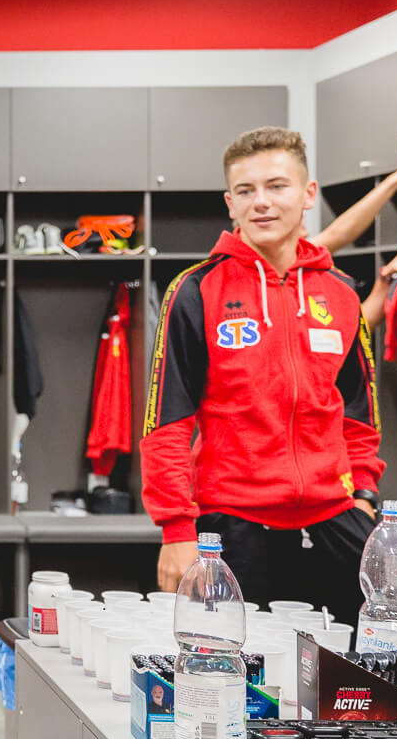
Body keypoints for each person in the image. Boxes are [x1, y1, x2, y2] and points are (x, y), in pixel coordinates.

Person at [142, 127, 384, 620]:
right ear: (230, 203)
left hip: (333, 514)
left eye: (277, 186)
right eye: (246, 190)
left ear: (308, 193)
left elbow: (359, 412)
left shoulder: (340, 293)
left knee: (370, 658)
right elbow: (167, 423)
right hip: (231, 523)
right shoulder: (195, 290)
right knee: (235, 665)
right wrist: (176, 529)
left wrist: (363, 494)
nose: (262, 202)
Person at [304, 144, 397, 254]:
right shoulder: (296, 256)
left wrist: (386, 274)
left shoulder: (301, 255)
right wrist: (395, 180)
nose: (303, 215)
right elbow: (338, 234)